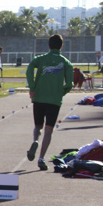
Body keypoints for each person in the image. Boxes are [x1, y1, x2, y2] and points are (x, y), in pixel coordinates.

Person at [26, 34, 73, 171]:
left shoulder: (40, 59)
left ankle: (35, 141)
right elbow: (69, 83)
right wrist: (61, 92)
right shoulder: (66, 62)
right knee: (48, 130)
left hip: (39, 97)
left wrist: (33, 87)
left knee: (38, 126)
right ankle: (41, 158)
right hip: (54, 100)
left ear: (49, 46)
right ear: (61, 46)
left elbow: (29, 69)